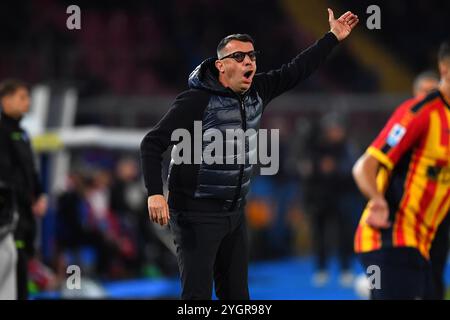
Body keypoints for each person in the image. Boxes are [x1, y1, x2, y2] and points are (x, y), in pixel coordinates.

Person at [141, 9, 358, 299]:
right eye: (239, 57)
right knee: (197, 297)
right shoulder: (195, 101)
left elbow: (297, 69)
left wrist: (332, 38)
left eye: (253, 56)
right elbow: (152, 143)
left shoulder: (258, 90)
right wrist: (155, 193)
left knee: (238, 298)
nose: (249, 61)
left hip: (234, 213)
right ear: (221, 66)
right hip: (196, 215)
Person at [352, 42, 450, 300]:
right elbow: (364, 166)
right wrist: (377, 200)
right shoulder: (420, 113)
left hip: (421, 244)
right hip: (390, 239)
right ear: (444, 68)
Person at [0, 79, 48, 300]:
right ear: (5, 100)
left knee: (20, 274)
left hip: (24, 216)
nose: (27, 102)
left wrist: (40, 195)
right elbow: (7, 177)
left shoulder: (23, 133)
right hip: (9, 217)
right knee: (11, 273)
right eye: (22, 97)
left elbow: (31, 172)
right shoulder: (2, 133)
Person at [412, 70, 449, 300]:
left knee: (435, 271)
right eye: (424, 91)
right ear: (414, 94)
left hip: (439, 215)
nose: (429, 97)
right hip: (408, 216)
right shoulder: (402, 125)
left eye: (433, 92)